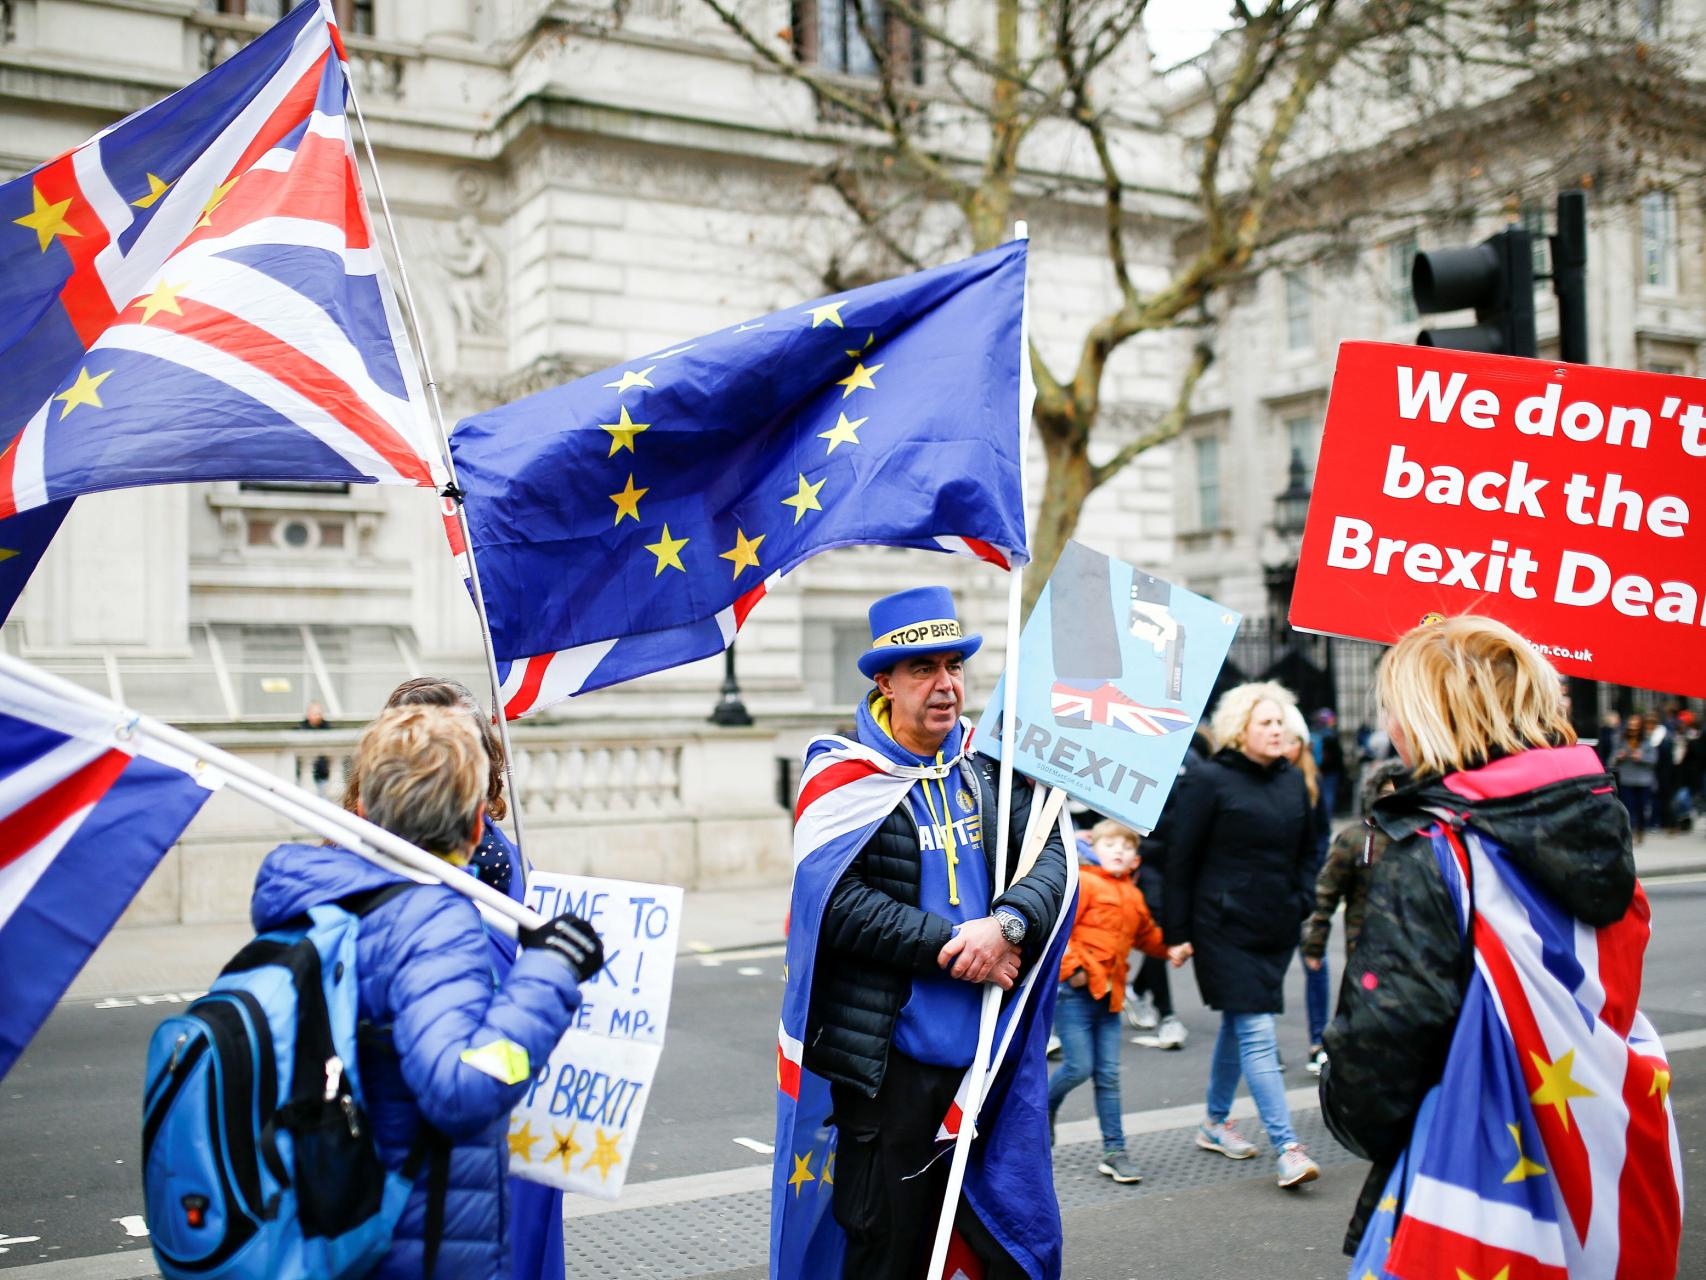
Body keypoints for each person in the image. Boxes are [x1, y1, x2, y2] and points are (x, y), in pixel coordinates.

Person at [1320, 616, 1675, 1274]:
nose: (1389, 723)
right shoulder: (1599, 815)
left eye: (1394, 706)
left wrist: (1345, 1104)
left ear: (1427, 718)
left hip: (1474, 1170)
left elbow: (1379, 1055)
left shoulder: (1432, 850)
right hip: (1600, 1143)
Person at [251, 704, 602, 1278]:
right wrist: (548, 977)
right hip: (415, 1240)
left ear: (362, 811)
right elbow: (463, 1088)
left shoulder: (312, 901)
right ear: (472, 828)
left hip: (328, 1221)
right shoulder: (433, 923)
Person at [801, 586, 1069, 1280]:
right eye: (923, 670)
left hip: (990, 1058)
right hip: (891, 1074)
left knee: (997, 1248)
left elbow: (1052, 857)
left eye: (953, 667)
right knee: (887, 1250)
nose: (945, 686)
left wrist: (1008, 923)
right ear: (884, 681)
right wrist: (959, 946)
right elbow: (837, 905)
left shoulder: (990, 764)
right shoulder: (841, 777)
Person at [345, 677, 561, 1280]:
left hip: (509, 1173)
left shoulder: (517, 870)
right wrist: (549, 995)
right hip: (422, 1204)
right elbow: (468, 1085)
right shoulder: (401, 918)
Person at [1163, 680, 1321, 1189]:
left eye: (1281, 722)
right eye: (1266, 723)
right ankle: (1288, 1147)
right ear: (1240, 729)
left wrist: (1303, 899)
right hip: (1222, 926)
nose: (1277, 731)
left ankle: (1213, 1123)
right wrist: (1178, 930)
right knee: (1256, 1030)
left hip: (1276, 924)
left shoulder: (1293, 780)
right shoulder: (1208, 780)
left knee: (1239, 1024)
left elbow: (1309, 848)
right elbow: (1179, 859)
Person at [1047, 819, 1167, 1183]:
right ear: (1093, 849)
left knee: (1109, 1077)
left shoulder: (1132, 894)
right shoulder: (1084, 882)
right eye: (1110, 845)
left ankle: (1115, 1151)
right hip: (1075, 996)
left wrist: (1172, 949)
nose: (1119, 851)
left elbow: (1147, 935)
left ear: (1135, 859)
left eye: (1127, 847)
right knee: (1079, 1067)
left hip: (1111, 998)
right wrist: (1073, 970)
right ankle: (1042, 1112)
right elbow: (1057, 930)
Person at [1298, 758, 1409, 1077]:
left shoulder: (1421, 836)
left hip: (1413, 948)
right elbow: (1326, 895)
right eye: (1385, 792)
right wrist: (1314, 945)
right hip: (1364, 950)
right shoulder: (1354, 840)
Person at [1282, 705, 1331, 1076]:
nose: (1283, 745)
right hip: (1274, 889)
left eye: (1290, 739)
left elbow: (1320, 837)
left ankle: (1319, 1040)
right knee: (1271, 967)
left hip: (1306, 887)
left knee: (1316, 962)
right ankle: (1265, 1046)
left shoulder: (1312, 785)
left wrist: (1310, 879)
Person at [1612, 712, 1658, 843]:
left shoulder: (1647, 742)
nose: (1633, 728)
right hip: (1627, 779)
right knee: (1627, 808)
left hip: (1643, 781)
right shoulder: (1621, 740)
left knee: (1642, 808)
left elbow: (1654, 759)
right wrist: (1618, 757)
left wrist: (1641, 757)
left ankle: (1641, 830)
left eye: (1636, 726)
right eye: (1631, 725)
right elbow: (1612, 758)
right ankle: (1630, 832)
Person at [298, 700, 333, 796]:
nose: (318, 716)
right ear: (309, 714)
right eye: (316, 713)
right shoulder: (302, 729)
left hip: (323, 774)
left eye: (319, 713)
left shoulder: (328, 728)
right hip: (307, 774)